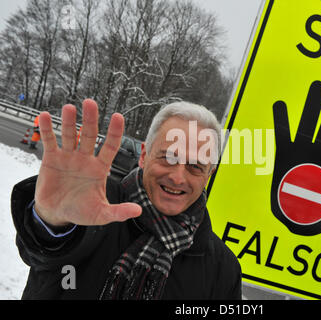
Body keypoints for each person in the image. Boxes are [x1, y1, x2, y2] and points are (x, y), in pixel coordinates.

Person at [11, 99, 242, 300]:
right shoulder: (92, 205)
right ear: (144, 156)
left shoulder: (223, 270)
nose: (178, 177)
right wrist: (52, 222)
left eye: (195, 167)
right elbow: (42, 254)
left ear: (208, 176)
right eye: (168, 158)